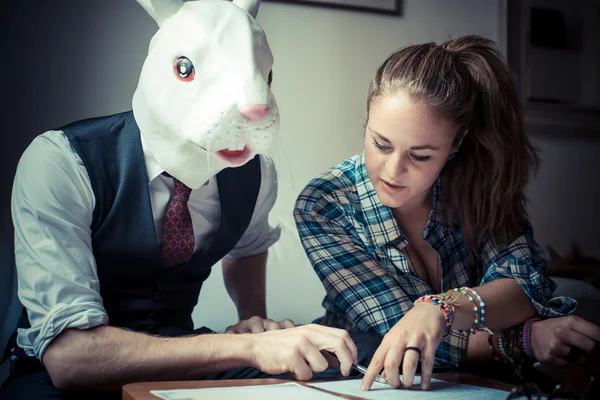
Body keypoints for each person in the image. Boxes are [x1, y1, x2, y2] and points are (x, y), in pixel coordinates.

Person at [0, 1, 380, 399]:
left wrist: (253, 322)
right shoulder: (61, 161)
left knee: (352, 357)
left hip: (181, 358)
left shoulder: (254, 173)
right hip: (59, 379)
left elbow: (249, 247)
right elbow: (70, 360)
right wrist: (249, 348)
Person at [294, 35, 600, 392]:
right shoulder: (324, 204)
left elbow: (527, 285)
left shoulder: (480, 180)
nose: (393, 171)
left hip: (483, 376)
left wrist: (440, 308)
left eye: (420, 156)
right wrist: (520, 340)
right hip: (368, 371)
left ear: (456, 144)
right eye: (381, 144)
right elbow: (406, 337)